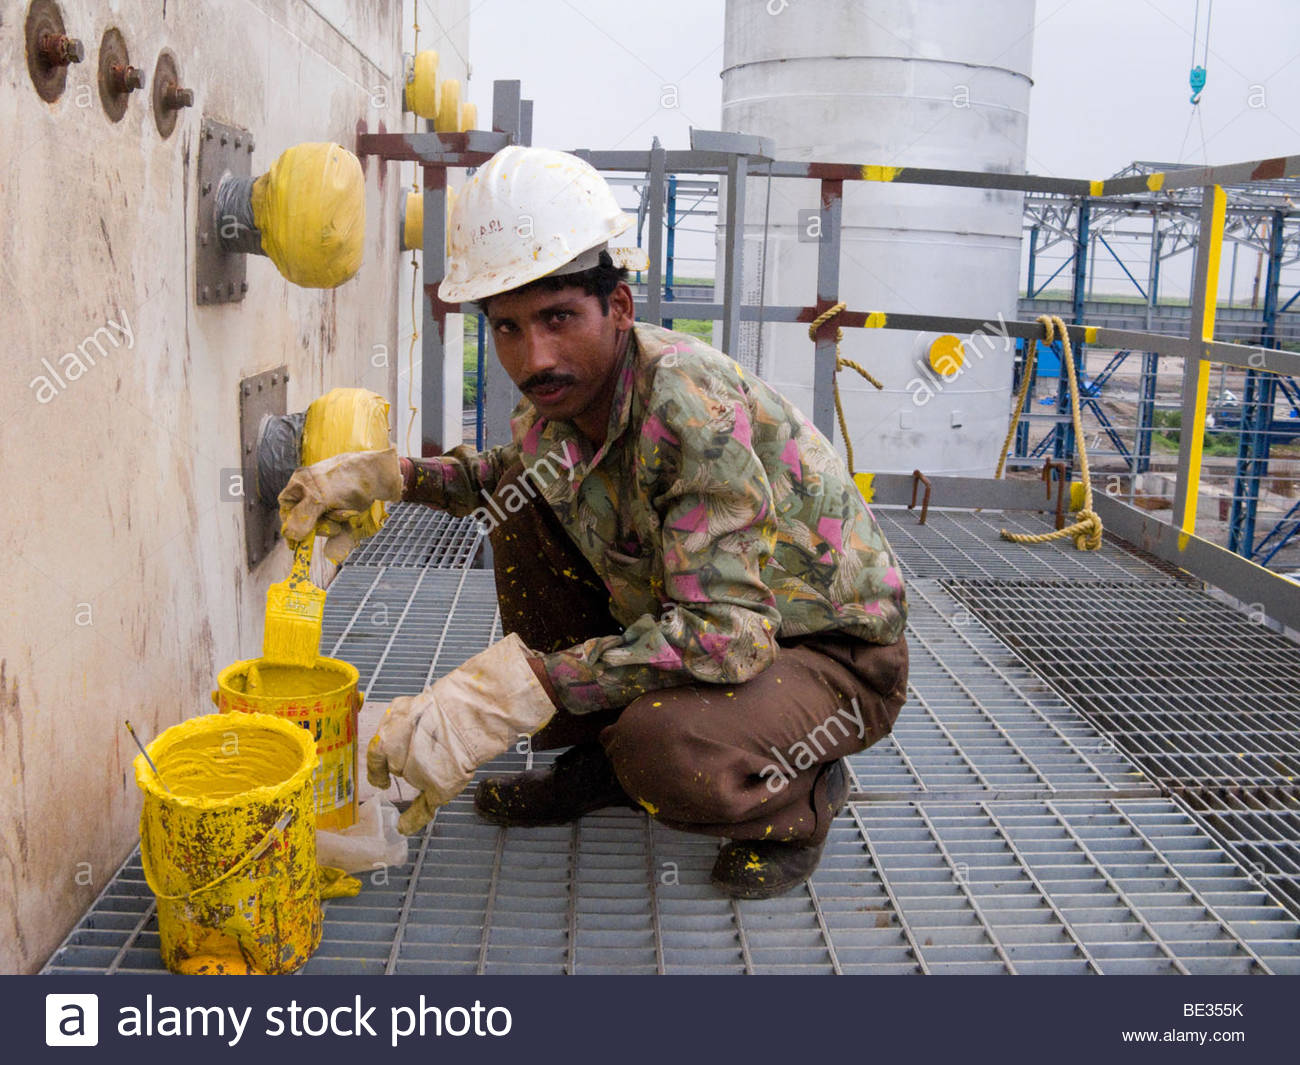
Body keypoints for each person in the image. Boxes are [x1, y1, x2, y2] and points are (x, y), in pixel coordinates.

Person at [278, 146, 909, 899]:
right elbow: (501, 478)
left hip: (826, 655)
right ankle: (594, 758)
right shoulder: (563, 401)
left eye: (557, 317)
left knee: (667, 750)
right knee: (519, 505)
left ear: (618, 307)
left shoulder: (688, 407)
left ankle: (799, 797)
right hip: (720, 623)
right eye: (507, 327)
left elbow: (724, 635)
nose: (534, 355)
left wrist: (513, 689)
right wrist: (391, 477)